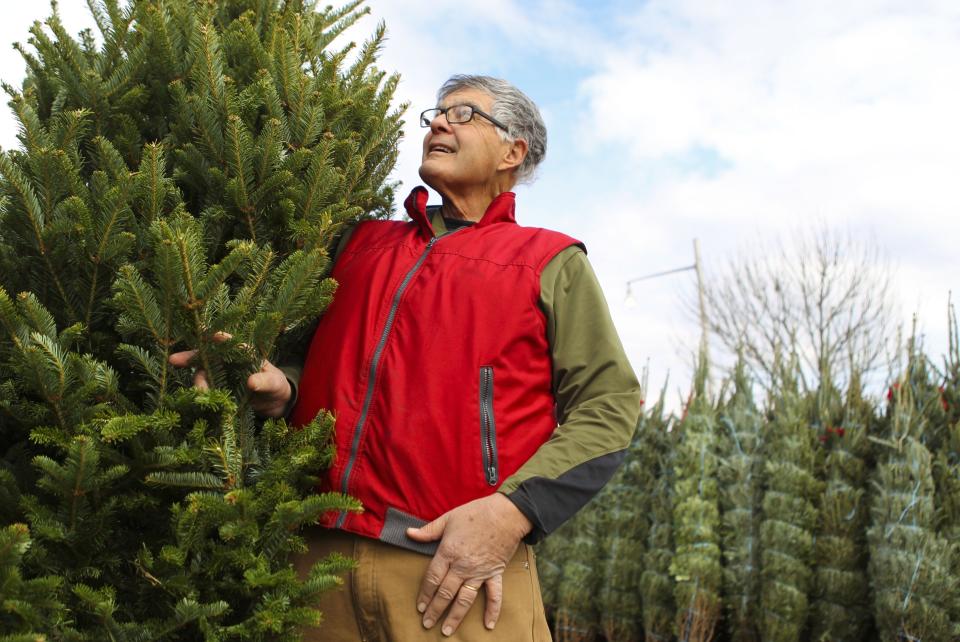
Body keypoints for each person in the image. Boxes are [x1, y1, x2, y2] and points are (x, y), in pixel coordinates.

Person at [172, 75, 641, 641]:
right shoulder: (360, 243)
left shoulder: (548, 260)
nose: (439, 122)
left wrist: (510, 513)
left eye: (465, 114)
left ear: (512, 151)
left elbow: (609, 405)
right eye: (436, 114)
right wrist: (286, 389)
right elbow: (322, 362)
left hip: (456, 572)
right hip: (314, 561)